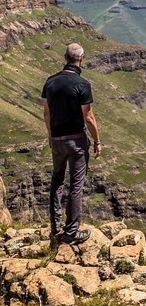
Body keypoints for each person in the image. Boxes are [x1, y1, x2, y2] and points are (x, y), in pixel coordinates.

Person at [42, 43, 102, 247]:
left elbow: (46, 113)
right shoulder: (82, 84)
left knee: (57, 180)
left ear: (65, 57)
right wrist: (97, 141)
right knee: (76, 185)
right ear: (81, 59)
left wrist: (50, 135)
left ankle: (54, 227)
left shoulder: (50, 82)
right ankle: (71, 232)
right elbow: (89, 117)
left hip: (57, 140)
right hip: (76, 141)